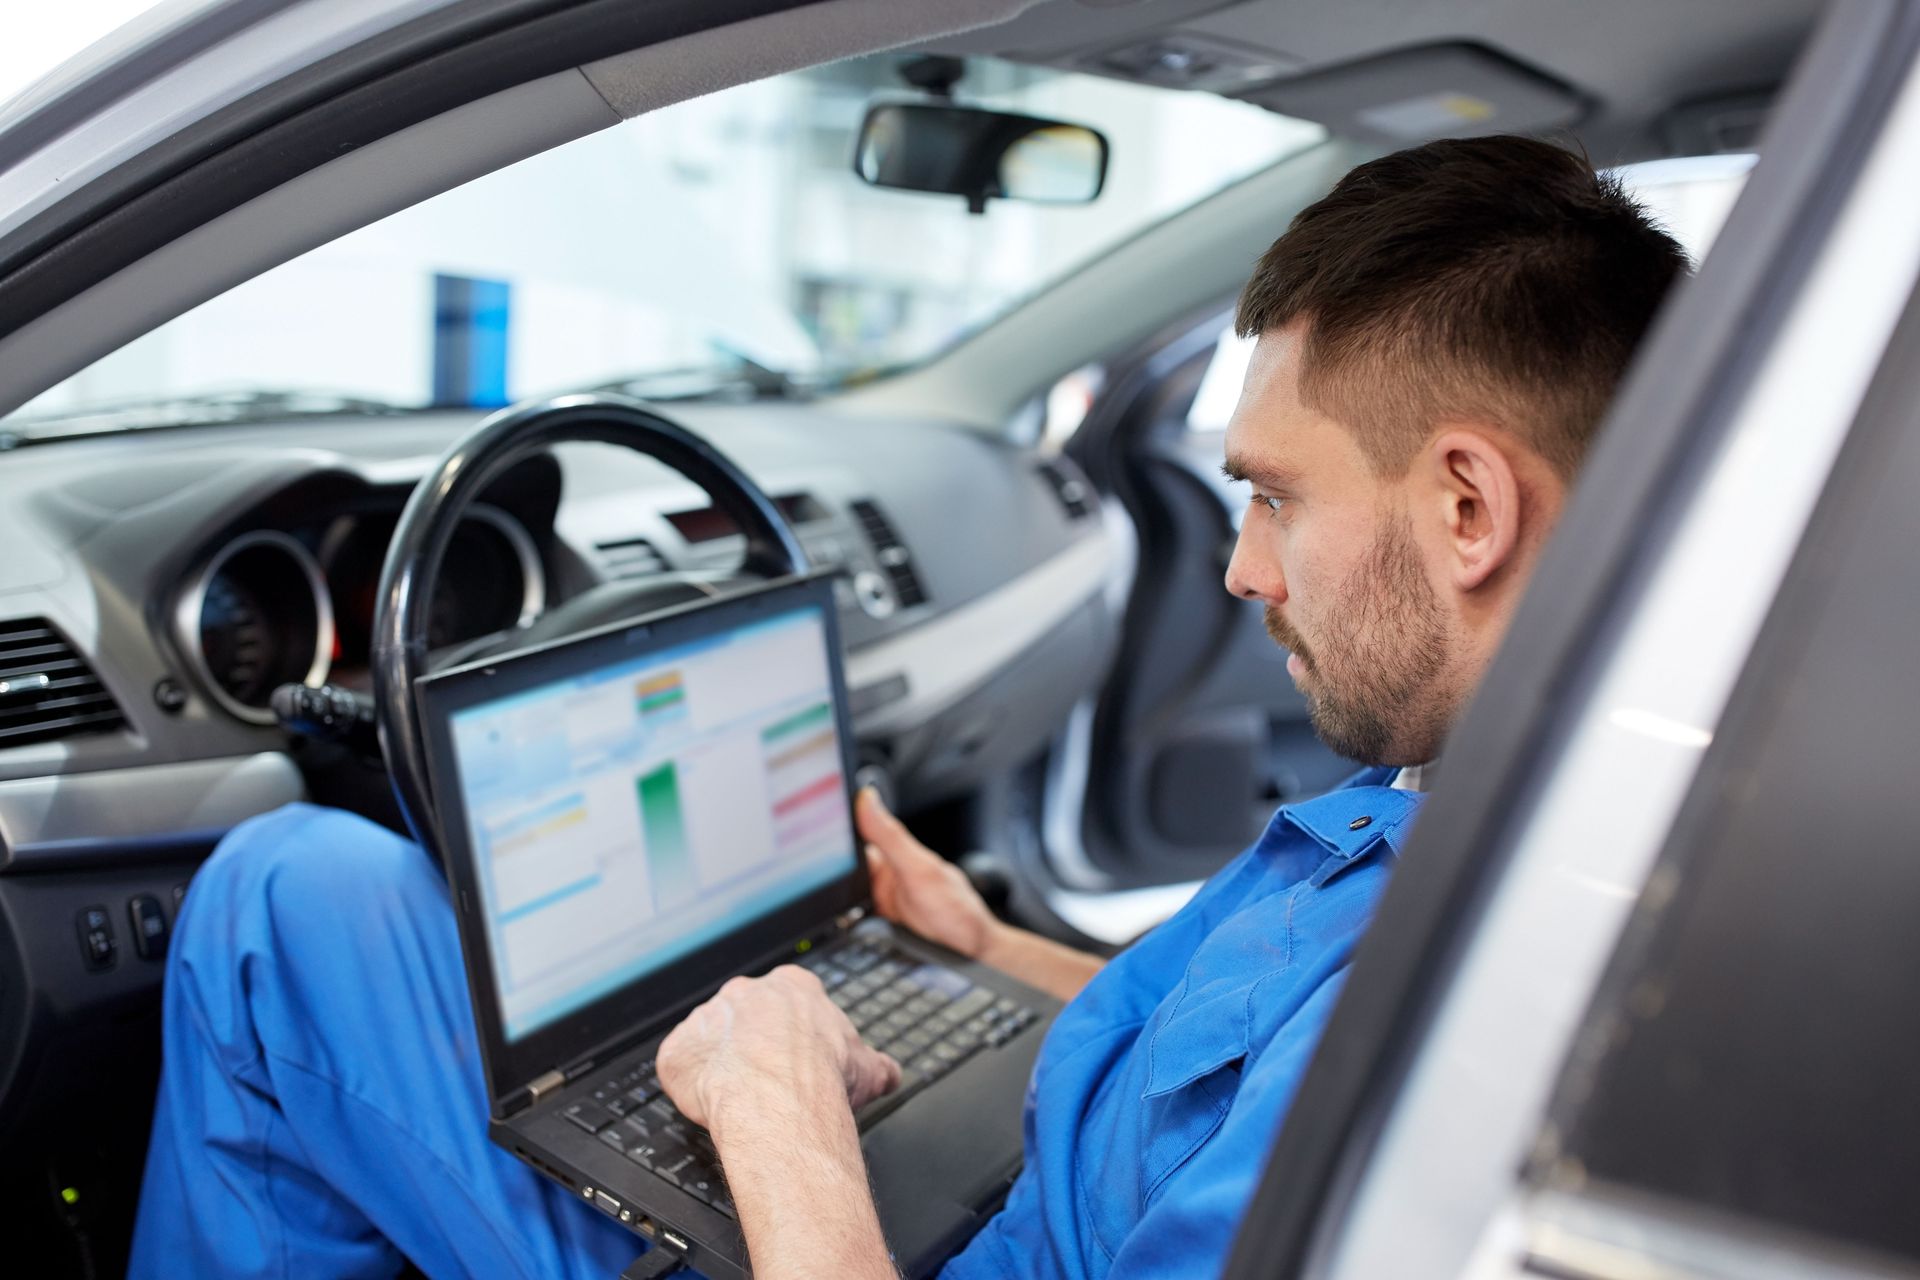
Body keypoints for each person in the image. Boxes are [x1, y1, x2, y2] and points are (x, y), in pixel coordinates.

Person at [130, 135, 1689, 1280]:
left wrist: (779, 1111)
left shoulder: (1447, 1013)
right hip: (967, 1195)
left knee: (286, 898)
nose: (1237, 569)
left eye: (1275, 498)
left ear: (1470, 506)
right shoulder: (1462, 803)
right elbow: (1191, 1078)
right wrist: (978, 947)